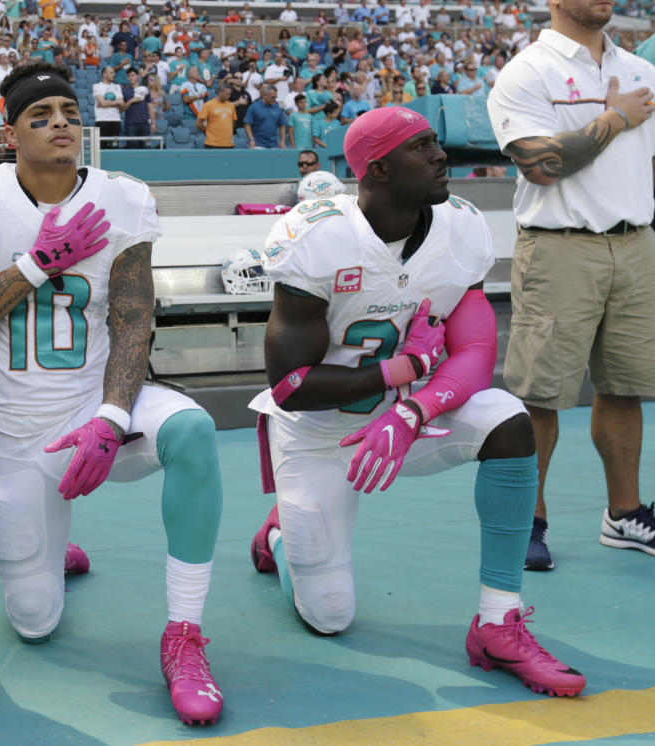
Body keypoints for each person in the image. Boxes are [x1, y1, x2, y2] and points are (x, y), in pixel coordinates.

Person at [248, 106, 587, 700]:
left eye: (436, 141)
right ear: (376, 170)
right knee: (329, 615)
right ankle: (278, 536)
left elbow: (478, 347)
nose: (441, 155)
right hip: (319, 432)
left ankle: (497, 621)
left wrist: (413, 409)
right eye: (422, 146)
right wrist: (405, 369)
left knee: (507, 419)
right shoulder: (320, 235)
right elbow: (290, 385)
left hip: (408, 417)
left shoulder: (459, 225)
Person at [0, 61, 225, 726]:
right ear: (10, 135)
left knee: (194, 430)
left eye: (68, 110)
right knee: (34, 621)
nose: (60, 122)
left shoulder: (122, 198)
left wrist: (114, 416)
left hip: (99, 411)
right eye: (41, 115)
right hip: (20, 428)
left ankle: (183, 635)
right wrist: (38, 263)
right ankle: (50, 541)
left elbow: (132, 319)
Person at [487, 0, 655, 570]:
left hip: (636, 242)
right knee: (541, 394)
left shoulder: (640, 71)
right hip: (560, 245)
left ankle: (624, 514)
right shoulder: (527, 71)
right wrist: (613, 119)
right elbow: (540, 165)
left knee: (626, 385)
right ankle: (529, 522)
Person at [244, 83, 287, 148]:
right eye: (272, 97)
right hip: (258, 144)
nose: (274, 99)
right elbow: (247, 124)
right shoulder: (254, 107)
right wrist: (251, 139)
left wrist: (282, 141)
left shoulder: (277, 108)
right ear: (265, 95)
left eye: (275, 97)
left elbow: (282, 125)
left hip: (273, 144)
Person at [196, 82, 236, 148]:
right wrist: (208, 132)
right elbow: (198, 124)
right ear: (220, 92)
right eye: (226, 94)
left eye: (229, 94)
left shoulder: (231, 106)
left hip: (228, 144)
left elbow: (233, 122)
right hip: (212, 144)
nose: (228, 96)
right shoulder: (208, 105)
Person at [93, 64, 123, 148]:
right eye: (111, 72)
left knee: (115, 147)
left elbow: (122, 103)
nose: (114, 74)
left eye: (113, 72)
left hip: (116, 120)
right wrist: (115, 102)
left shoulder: (117, 87)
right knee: (102, 147)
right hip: (102, 120)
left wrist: (105, 103)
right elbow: (102, 103)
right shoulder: (97, 86)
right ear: (104, 74)